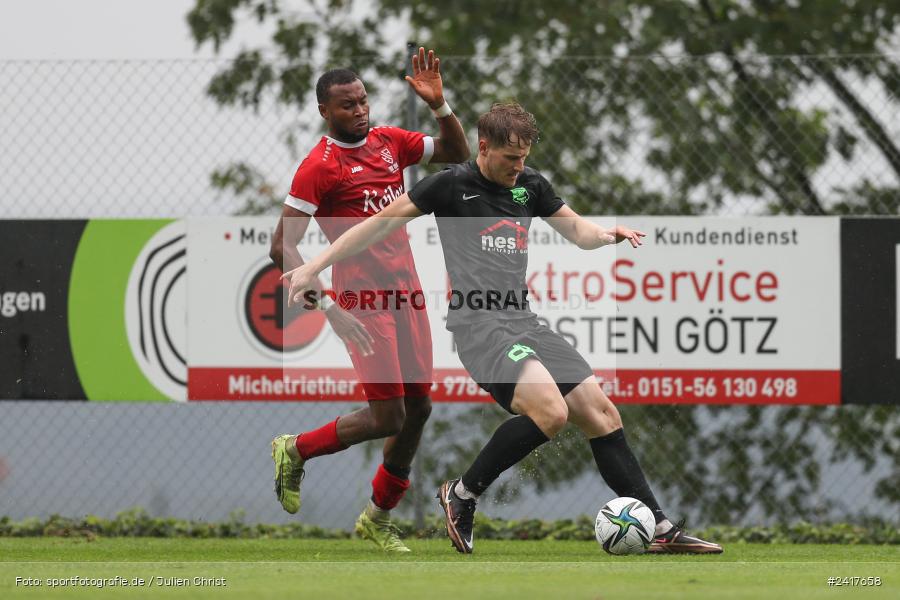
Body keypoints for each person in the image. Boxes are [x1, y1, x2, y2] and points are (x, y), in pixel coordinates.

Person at [282, 102, 724, 555]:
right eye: (511, 158)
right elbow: (376, 225)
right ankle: (463, 495)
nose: (520, 167)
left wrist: (608, 233)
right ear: (485, 146)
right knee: (550, 413)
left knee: (601, 413)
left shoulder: (530, 185)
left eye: (525, 157)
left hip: (523, 319)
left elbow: (578, 232)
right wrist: (315, 265)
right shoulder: (450, 186)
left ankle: (660, 529)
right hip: (479, 326)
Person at [268, 47, 469, 553]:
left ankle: (377, 517)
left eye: (362, 101)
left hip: (407, 292)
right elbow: (282, 245)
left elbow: (455, 153)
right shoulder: (320, 166)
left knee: (419, 407)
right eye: (346, 105)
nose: (359, 111)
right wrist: (329, 307)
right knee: (388, 418)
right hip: (361, 301)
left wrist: (440, 106)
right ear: (324, 112)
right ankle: (296, 449)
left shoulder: (388, 143)